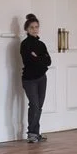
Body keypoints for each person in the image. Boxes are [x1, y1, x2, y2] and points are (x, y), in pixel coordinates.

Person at [19, 13, 51, 143]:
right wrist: (40, 58)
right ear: (27, 29)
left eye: (36, 27)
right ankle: (32, 133)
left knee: (39, 106)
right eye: (32, 27)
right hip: (29, 79)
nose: (34, 29)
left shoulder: (41, 44)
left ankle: (35, 133)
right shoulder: (25, 44)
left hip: (42, 78)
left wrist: (37, 57)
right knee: (34, 105)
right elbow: (28, 61)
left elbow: (48, 61)